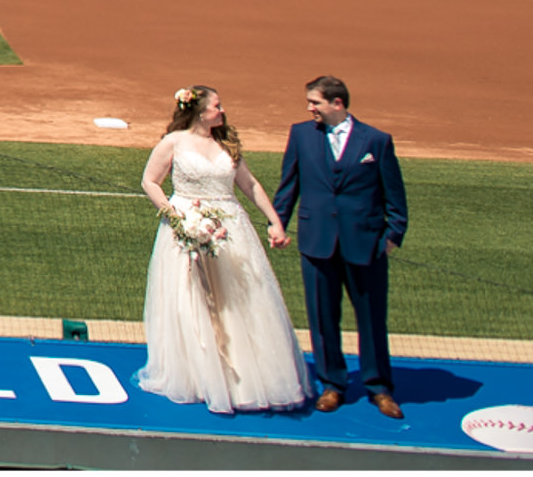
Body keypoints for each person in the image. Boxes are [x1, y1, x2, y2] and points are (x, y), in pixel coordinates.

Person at [133, 85, 310, 414]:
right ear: (200, 111)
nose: (222, 110)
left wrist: (275, 221)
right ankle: (200, 376)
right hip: (188, 225)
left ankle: (239, 378)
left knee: (240, 299)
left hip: (231, 229)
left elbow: (250, 185)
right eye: (217, 106)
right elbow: (150, 181)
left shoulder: (226, 145)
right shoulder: (173, 142)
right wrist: (176, 218)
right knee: (192, 301)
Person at [272, 74, 409, 417]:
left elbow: (394, 193)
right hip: (317, 242)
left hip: (365, 245)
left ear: (338, 103)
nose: (309, 108)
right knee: (322, 318)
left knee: (372, 319)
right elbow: (289, 184)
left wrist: (393, 236)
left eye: (315, 102)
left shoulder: (376, 141)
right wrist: (278, 223)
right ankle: (333, 384)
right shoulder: (301, 135)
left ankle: (379, 387)